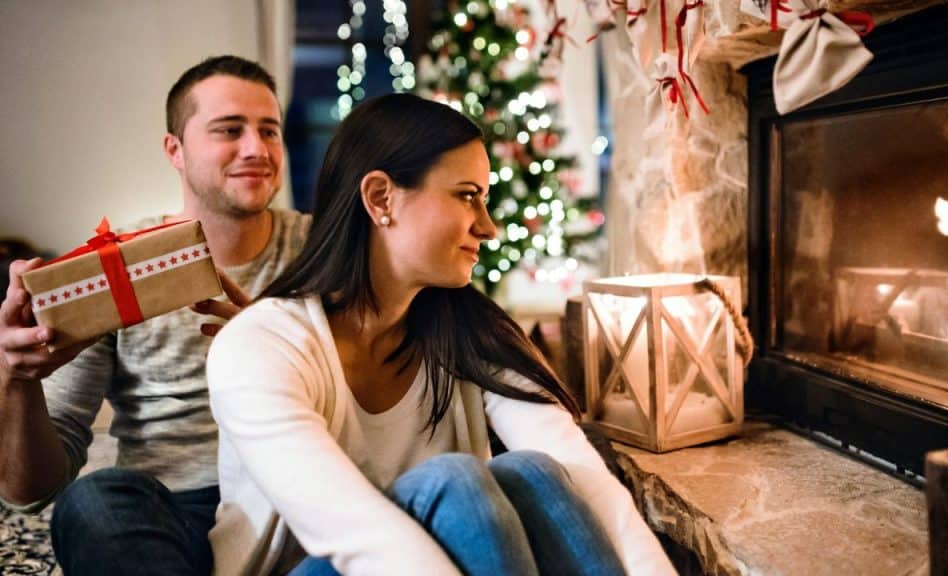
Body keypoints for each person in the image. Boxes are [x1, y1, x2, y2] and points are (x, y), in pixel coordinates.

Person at [205, 93, 676, 576]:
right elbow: (360, 537)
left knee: (531, 473)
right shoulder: (259, 345)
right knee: (455, 481)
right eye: (468, 195)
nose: (489, 228)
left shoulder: (468, 332)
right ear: (381, 198)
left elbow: (586, 480)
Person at [0, 55, 310, 575]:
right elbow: (28, 493)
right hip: (171, 509)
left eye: (270, 130)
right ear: (175, 150)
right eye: (229, 130)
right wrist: (14, 379)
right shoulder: (113, 272)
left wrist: (276, 346)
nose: (257, 149)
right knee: (92, 502)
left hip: (297, 494)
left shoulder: (326, 250)